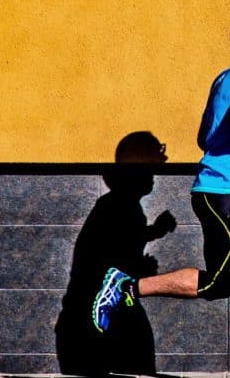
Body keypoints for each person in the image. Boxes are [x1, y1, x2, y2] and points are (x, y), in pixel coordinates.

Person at [92, 13, 230, 378]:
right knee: (221, 282)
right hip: (227, 191)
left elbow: (206, 138)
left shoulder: (226, 78)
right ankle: (126, 285)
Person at [56, 131, 175, 375]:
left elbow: (116, 243)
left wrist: (153, 233)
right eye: (151, 168)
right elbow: (108, 259)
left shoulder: (119, 206)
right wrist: (141, 266)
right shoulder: (120, 208)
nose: (154, 177)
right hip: (96, 325)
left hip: (95, 321)